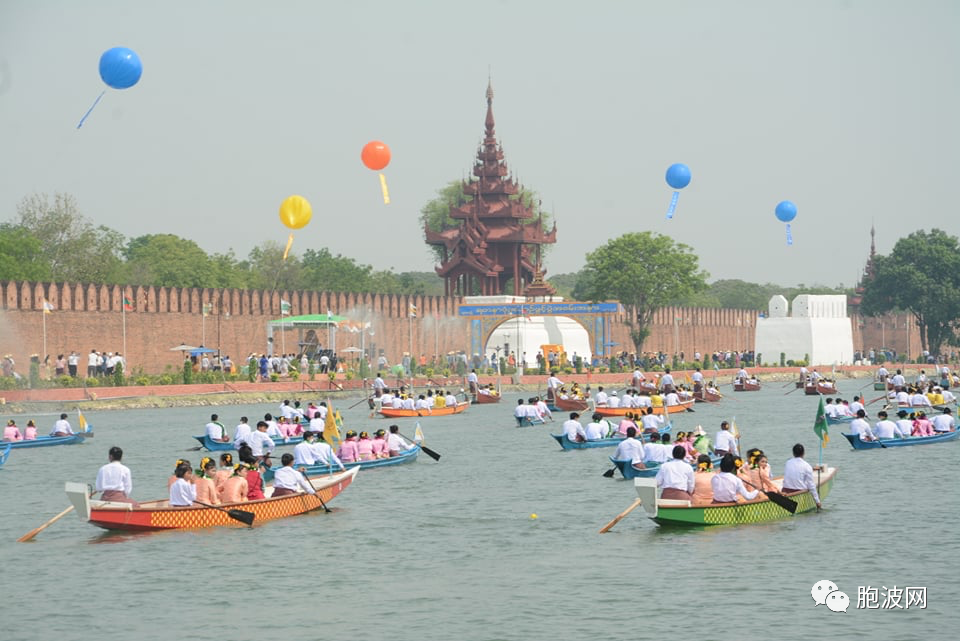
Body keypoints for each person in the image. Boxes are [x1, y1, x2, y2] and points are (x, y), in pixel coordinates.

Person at [782, 443, 821, 509]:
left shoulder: (788, 462)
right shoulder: (807, 466)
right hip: (799, 493)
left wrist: (811, 469)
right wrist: (817, 502)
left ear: (793, 453)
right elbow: (811, 485)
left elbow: (796, 469)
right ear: (803, 453)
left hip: (785, 490)